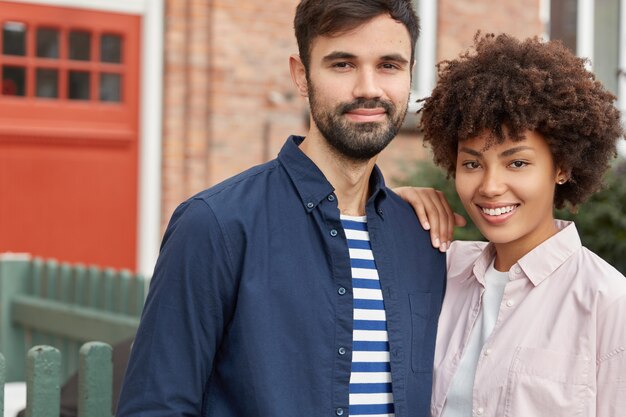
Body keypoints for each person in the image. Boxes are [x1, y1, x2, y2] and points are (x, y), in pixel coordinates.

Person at [116, 1, 448, 416]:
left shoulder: (423, 237)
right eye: (342, 64)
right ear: (301, 75)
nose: (369, 88)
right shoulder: (215, 225)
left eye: (389, 65)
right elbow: (155, 407)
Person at [398, 33, 626, 416]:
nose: (489, 187)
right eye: (472, 164)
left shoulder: (610, 304)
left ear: (562, 167)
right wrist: (391, 205)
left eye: (517, 162)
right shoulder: (440, 271)